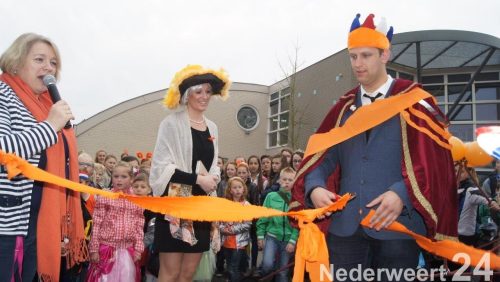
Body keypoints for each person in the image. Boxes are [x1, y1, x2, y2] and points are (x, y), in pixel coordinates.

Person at [293, 14, 457, 281]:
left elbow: (436, 162)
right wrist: (315, 187)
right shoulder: (342, 108)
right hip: (344, 231)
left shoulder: (414, 102)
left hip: (397, 226)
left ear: (385, 55)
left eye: (366, 55)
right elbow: (321, 158)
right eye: (353, 56)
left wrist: (402, 194)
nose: (358, 64)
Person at [0, 33, 86, 281]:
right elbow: (4, 150)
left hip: (34, 224)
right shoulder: (4, 93)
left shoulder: (42, 104)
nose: (48, 67)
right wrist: (50, 126)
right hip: (7, 227)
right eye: (40, 59)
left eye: (53, 63)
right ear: (16, 62)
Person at [149, 64, 230, 282]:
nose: (205, 96)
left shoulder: (213, 127)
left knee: (187, 275)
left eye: (208, 91)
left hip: (201, 206)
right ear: (186, 95)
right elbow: (160, 167)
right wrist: (197, 180)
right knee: (170, 273)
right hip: (176, 203)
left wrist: (212, 177)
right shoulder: (171, 124)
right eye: (198, 91)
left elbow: (214, 163)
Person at [87, 162, 145, 281]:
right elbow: (97, 224)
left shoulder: (136, 200)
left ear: (131, 179)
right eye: (116, 176)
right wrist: (94, 249)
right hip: (106, 249)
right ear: (111, 177)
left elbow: (139, 225)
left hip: (127, 250)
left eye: (124, 177)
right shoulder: (105, 196)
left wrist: (138, 249)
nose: (119, 180)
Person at [257, 167, 298, 282]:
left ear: (295, 182)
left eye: (290, 180)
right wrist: (260, 236)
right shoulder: (271, 196)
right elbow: (263, 217)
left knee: (283, 272)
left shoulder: (297, 199)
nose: (287, 182)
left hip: (288, 240)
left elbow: (299, 223)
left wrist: (293, 241)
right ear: (279, 180)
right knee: (267, 265)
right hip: (272, 237)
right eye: (284, 179)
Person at [220, 177, 251, 282]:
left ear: (243, 189)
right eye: (234, 187)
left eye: (240, 187)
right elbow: (218, 221)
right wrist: (222, 229)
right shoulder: (225, 205)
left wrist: (232, 230)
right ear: (230, 190)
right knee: (229, 266)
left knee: (233, 267)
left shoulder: (246, 205)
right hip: (226, 242)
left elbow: (247, 224)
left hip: (239, 243)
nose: (237, 189)